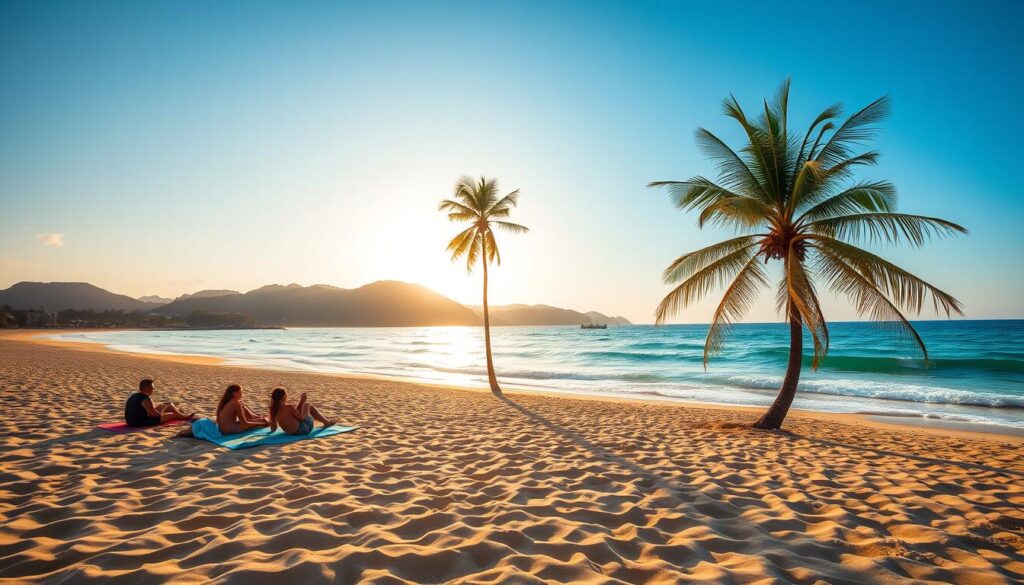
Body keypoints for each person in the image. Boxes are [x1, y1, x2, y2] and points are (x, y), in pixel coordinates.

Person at [124, 379, 194, 427]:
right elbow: (155, 415)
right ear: (146, 388)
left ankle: (182, 415)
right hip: (140, 423)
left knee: (168, 405)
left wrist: (164, 407)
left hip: (130, 421)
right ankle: (184, 417)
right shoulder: (146, 399)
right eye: (152, 387)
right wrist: (164, 413)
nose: (153, 389)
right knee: (173, 414)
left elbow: (145, 410)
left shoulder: (134, 395)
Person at [268, 387, 336, 435]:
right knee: (307, 405)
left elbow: (273, 429)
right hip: (303, 430)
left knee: (302, 408)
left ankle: (326, 422)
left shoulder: (273, 409)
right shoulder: (289, 407)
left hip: (289, 433)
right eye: (286, 395)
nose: (287, 396)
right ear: (283, 397)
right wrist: (302, 402)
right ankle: (327, 422)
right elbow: (301, 419)